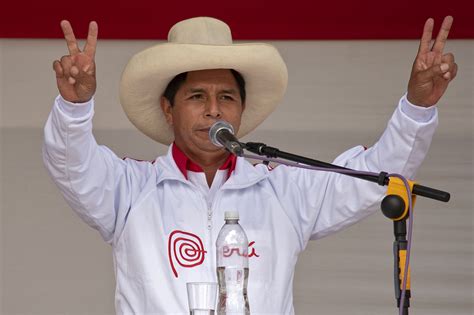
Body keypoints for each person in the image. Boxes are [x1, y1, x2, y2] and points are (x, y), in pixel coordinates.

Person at [43, 16, 457, 314]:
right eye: (196, 97)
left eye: (226, 97)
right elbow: (72, 165)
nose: (212, 111)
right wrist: (74, 107)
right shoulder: (130, 189)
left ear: (240, 110)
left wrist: (417, 107)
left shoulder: (281, 187)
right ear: (168, 109)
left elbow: (374, 177)